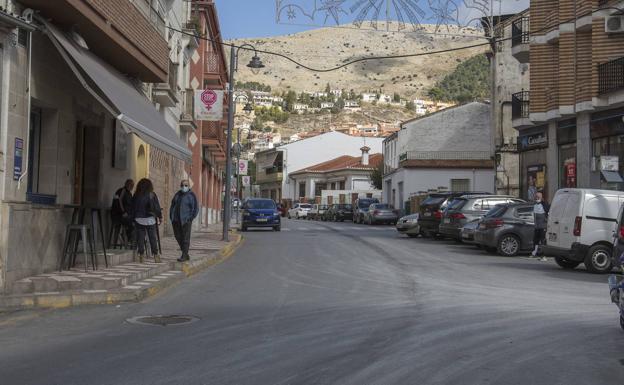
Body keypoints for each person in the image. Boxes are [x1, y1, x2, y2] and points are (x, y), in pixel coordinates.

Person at [132, 178, 162, 263]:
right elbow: (157, 207)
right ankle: (156, 256)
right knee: (152, 237)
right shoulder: (152, 194)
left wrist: (133, 218)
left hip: (139, 219)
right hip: (150, 219)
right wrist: (160, 216)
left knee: (140, 238)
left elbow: (132, 207)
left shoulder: (136, 194)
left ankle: (141, 255)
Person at [170, 180, 199, 262]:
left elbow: (196, 208)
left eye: (186, 185)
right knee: (178, 236)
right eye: (182, 185)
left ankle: (184, 255)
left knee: (185, 238)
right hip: (176, 220)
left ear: (188, 186)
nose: (184, 187)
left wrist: (190, 218)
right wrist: (171, 215)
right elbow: (173, 204)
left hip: (186, 220)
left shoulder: (191, 195)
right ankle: (185, 254)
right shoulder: (177, 194)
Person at [111, 179, 134, 245]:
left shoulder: (129, 193)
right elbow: (119, 201)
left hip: (126, 215)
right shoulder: (122, 191)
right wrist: (123, 212)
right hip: (119, 215)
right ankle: (127, 239)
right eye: (131, 185)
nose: (132, 186)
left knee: (134, 222)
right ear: (127, 184)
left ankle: (128, 238)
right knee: (131, 223)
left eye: (133, 185)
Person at [532, 192, 550, 261]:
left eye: (538, 197)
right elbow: (535, 215)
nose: (537, 198)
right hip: (537, 226)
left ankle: (544, 256)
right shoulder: (535, 205)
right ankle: (534, 253)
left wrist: (546, 220)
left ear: (541, 197)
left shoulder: (544, 204)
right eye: (536, 197)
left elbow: (548, 214)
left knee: (543, 241)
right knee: (535, 240)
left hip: (543, 226)